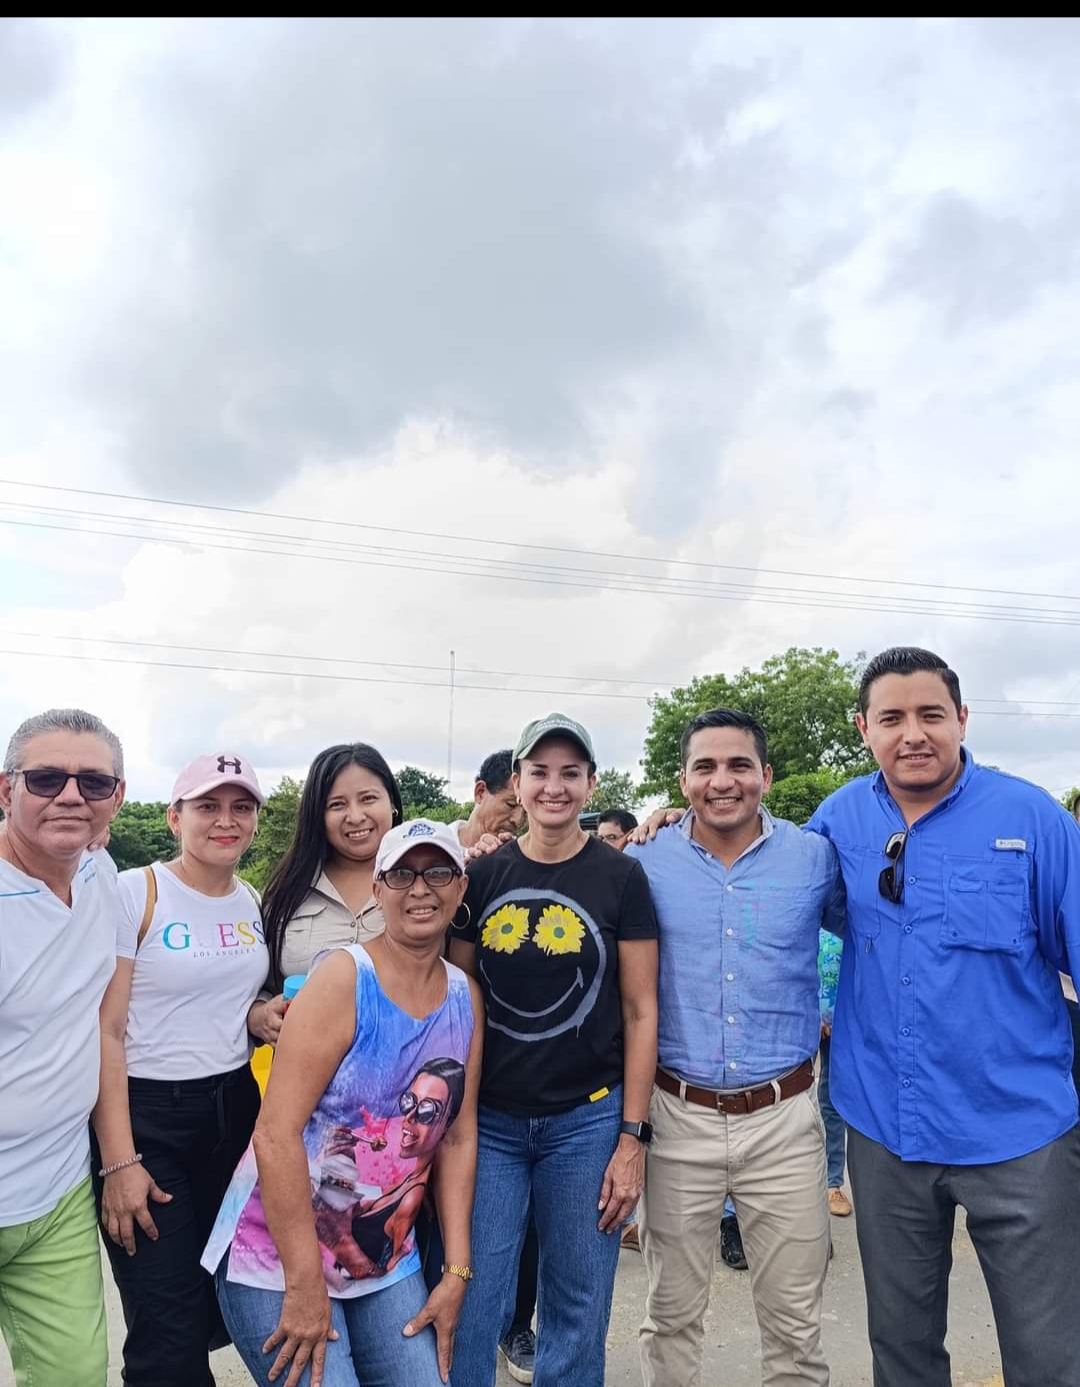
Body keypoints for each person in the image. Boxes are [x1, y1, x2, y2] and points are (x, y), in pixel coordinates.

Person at [808, 646, 1080, 1387]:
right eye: (891, 717)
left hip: (1020, 1135)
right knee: (902, 1353)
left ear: (961, 718)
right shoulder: (838, 821)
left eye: (931, 714)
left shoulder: (1032, 819)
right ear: (864, 728)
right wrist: (677, 824)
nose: (913, 734)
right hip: (884, 1132)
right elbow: (764, 875)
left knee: (1049, 1357)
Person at [204, 819, 483, 1387]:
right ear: (377, 889)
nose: (420, 888)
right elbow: (275, 1134)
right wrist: (304, 1285)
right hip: (275, 1254)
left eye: (437, 872)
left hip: (382, 1260)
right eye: (401, 874)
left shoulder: (464, 996)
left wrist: (456, 1270)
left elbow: (457, 1135)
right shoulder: (343, 978)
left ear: (461, 887)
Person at [626, 708, 840, 1387]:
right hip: (676, 1115)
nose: (723, 781)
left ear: (766, 776)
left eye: (739, 765)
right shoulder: (642, 861)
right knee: (670, 1316)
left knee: (795, 1326)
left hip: (784, 1120)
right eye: (706, 767)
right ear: (683, 779)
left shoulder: (815, 858)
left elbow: (882, 931)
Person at [449, 713, 659, 1387]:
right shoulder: (482, 877)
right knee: (474, 1294)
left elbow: (640, 1009)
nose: (554, 786)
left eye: (571, 773)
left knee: (578, 1303)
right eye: (539, 772)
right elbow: (456, 998)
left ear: (592, 783)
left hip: (587, 1120)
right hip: (489, 1121)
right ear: (517, 782)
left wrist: (631, 1137)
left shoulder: (621, 877)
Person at [92, 753, 281, 1387]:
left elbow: (227, 999)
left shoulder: (250, 899)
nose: (226, 820)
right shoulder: (136, 892)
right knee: (166, 1324)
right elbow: (107, 1029)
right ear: (176, 817)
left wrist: (257, 1015)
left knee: (216, 1301)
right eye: (208, 806)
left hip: (234, 1109)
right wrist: (119, 1161)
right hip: (148, 1116)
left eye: (241, 807)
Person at [0, 708, 126, 1387]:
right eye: (46, 779)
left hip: (56, 1196)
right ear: (6, 789)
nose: (71, 796)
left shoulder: (101, 874)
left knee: (76, 1375)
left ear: (117, 798)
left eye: (93, 782)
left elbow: (109, 1024)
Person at [262, 742, 404, 986]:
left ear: (392, 803)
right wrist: (262, 1006)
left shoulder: (430, 879)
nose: (356, 817)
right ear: (317, 815)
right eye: (337, 804)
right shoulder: (287, 890)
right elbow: (262, 984)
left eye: (368, 798)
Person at [816, 929, 851, 1216]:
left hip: (843, 1017)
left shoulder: (845, 913)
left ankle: (833, 1182)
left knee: (832, 1099)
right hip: (802, 1016)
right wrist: (815, 1012)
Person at [450, 750, 525, 851]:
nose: (518, 820)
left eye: (526, 813)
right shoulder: (435, 842)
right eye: (510, 804)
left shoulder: (516, 856)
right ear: (480, 792)